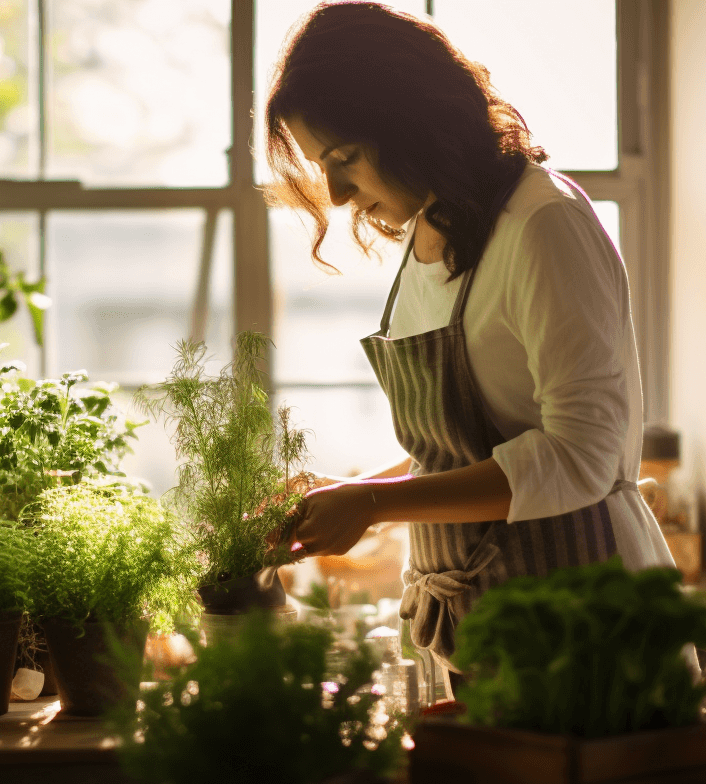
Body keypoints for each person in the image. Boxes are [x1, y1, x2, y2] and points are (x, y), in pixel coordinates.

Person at [264, 2, 676, 679]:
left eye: (346, 158)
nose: (335, 195)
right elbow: (462, 453)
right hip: (478, 627)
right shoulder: (432, 230)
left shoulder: (544, 224)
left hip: (582, 631)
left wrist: (374, 505)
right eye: (320, 166)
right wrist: (353, 491)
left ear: (411, 122)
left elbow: (583, 456)